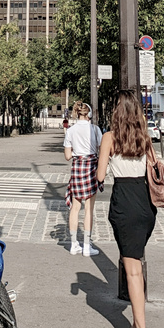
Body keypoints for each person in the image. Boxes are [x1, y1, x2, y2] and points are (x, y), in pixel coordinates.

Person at [97, 90, 156, 328]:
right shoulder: (145, 138)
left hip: (124, 203)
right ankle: (136, 323)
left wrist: (109, 162)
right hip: (145, 205)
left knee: (132, 270)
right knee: (137, 264)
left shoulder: (110, 138)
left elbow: (100, 175)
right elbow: (154, 169)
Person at [63, 101, 102, 257]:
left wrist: (76, 154)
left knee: (75, 207)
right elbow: (101, 149)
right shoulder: (95, 129)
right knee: (89, 209)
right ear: (89, 114)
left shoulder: (71, 131)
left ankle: (74, 245)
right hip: (91, 166)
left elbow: (67, 156)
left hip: (78, 166)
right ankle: (87, 246)